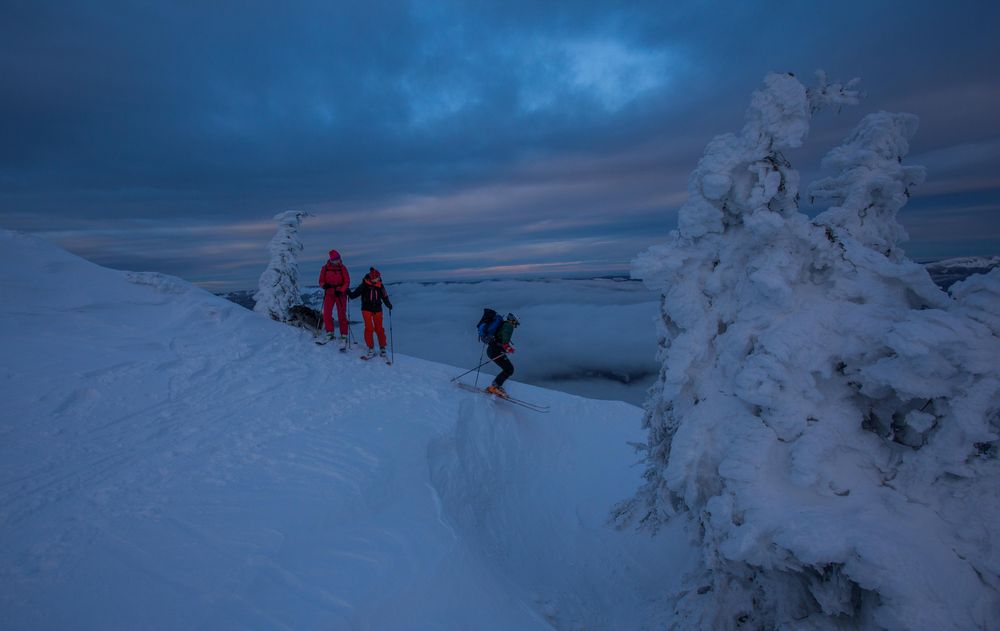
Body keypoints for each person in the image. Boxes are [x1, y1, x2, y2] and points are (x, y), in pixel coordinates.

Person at [348, 267, 393, 358]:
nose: (378, 279)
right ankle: (370, 347)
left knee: (379, 328)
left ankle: (382, 347)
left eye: (378, 277)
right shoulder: (364, 285)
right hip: (366, 309)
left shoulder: (380, 285)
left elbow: (384, 296)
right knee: (369, 328)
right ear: (372, 278)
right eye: (377, 278)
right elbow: (354, 295)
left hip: (377, 309)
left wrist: (388, 304)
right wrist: (348, 292)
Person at [318, 250, 351, 345]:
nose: (338, 261)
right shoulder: (325, 268)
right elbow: (321, 281)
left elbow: (347, 281)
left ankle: (344, 334)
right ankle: (330, 332)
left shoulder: (342, 268)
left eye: (338, 258)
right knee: (327, 313)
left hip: (340, 294)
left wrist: (341, 290)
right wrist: (324, 285)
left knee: (341, 314)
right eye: (335, 259)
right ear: (331, 259)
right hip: (329, 293)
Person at [484, 313, 519, 397]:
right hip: (495, 351)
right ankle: (494, 387)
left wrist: (507, 348)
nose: (515, 326)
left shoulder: (504, 324)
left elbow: (500, 339)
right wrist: (508, 348)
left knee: (508, 369)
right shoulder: (508, 326)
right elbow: (505, 342)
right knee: (509, 369)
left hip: (492, 350)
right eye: (516, 323)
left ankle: (495, 386)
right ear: (513, 320)